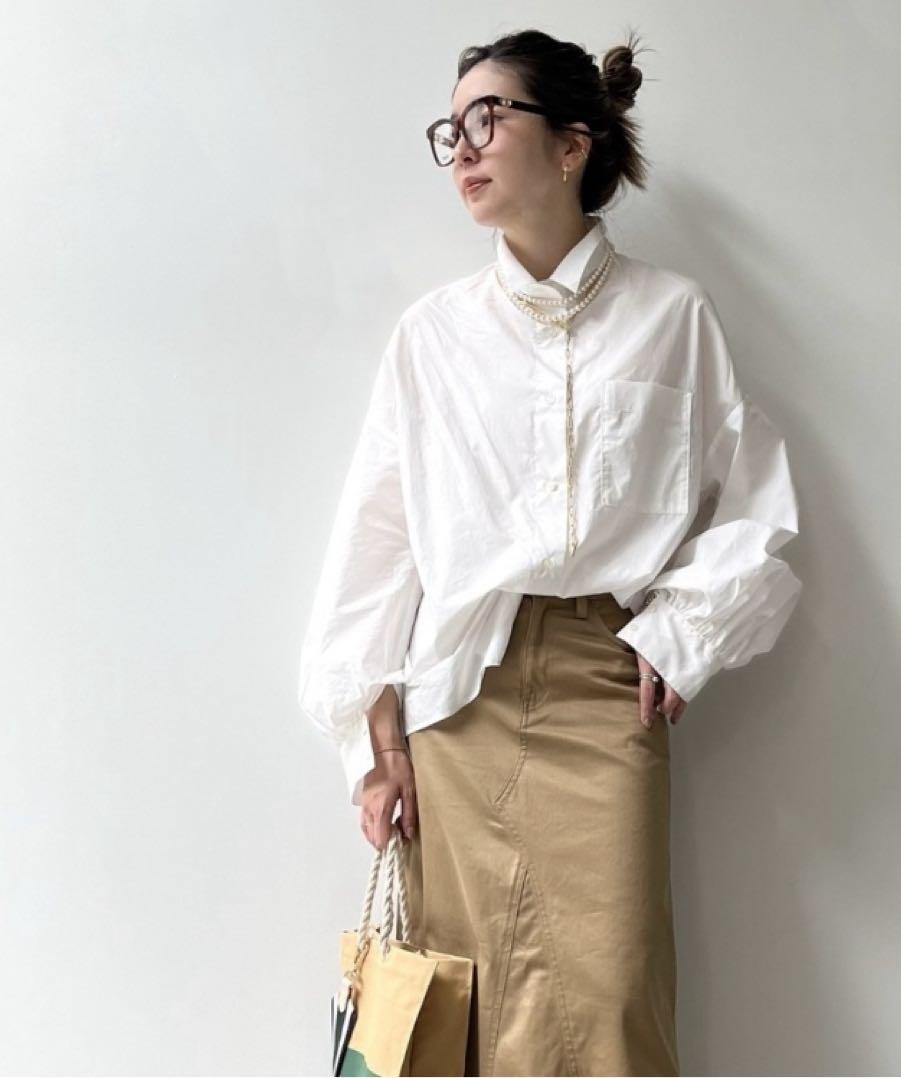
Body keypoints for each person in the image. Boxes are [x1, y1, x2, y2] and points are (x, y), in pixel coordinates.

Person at [298, 27, 803, 1078]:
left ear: (573, 144)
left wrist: (683, 633)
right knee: (464, 1002)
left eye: (489, 118)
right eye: (451, 130)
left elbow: (753, 500)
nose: (464, 147)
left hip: (604, 683)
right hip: (457, 695)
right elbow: (379, 544)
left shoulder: (672, 317)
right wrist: (374, 745)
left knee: (613, 997)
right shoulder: (433, 336)